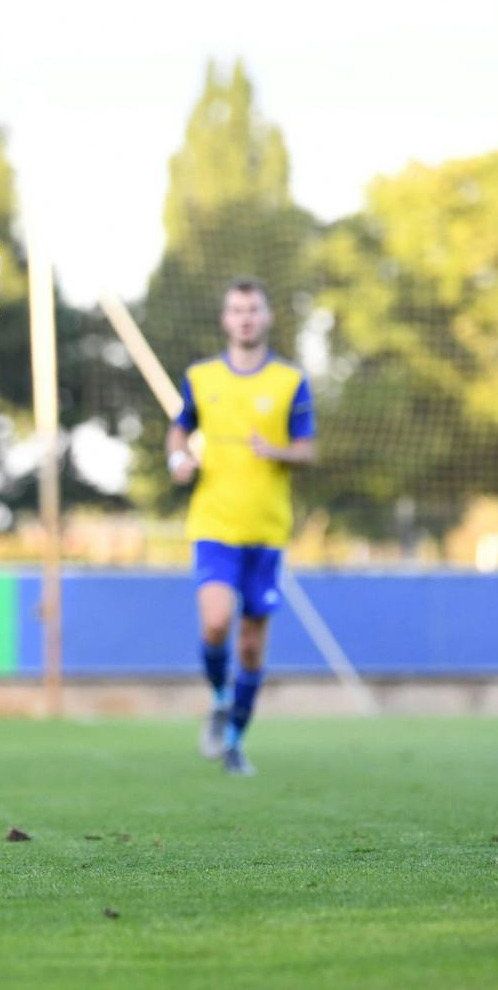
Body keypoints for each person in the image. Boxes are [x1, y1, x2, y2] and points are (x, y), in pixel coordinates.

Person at [166, 279, 316, 776]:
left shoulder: (291, 380)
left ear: (267, 317)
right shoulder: (201, 376)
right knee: (215, 621)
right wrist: (177, 458)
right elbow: (180, 427)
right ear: (226, 320)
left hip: (268, 531)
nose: (245, 317)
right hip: (214, 525)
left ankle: (234, 740)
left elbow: (307, 449)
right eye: (237, 310)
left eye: (253, 309)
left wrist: (276, 452)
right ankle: (219, 696)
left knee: (251, 644)